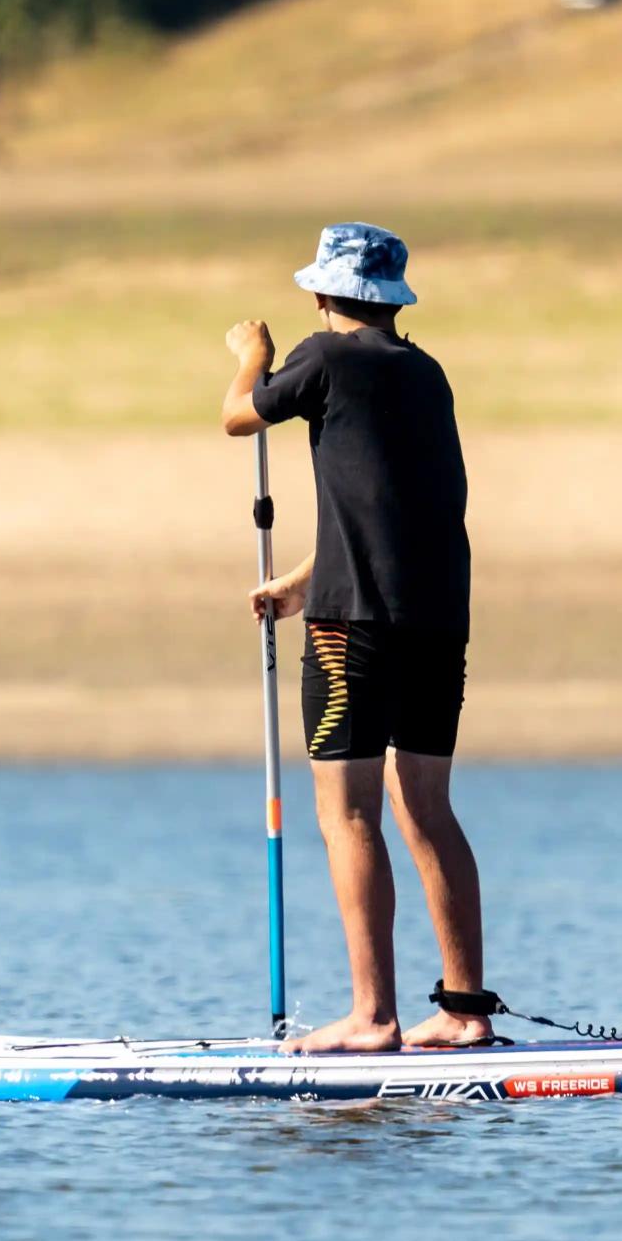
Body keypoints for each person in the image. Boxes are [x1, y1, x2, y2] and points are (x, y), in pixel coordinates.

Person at [217, 222, 493, 1053]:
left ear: (323, 294)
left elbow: (238, 417)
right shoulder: (427, 372)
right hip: (436, 619)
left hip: (354, 634)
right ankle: (465, 1010)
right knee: (427, 806)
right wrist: (306, 581)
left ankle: (373, 1017)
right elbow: (394, 501)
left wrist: (252, 356)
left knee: (349, 813)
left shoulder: (324, 357)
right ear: (392, 300)